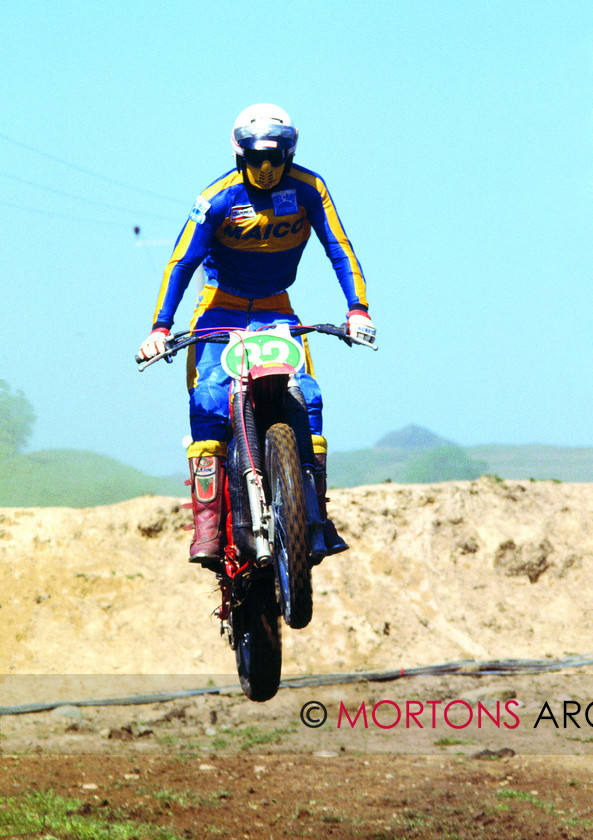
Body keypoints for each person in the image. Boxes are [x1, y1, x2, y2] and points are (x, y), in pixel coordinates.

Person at [138, 103, 376, 571]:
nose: (266, 169)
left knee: (308, 397)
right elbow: (181, 263)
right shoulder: (217, 199)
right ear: (238, 153)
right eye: (255, 159)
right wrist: (160, 328)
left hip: (275, 309)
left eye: (276, 158)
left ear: (290, 153)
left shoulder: (311, 190)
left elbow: (339, 249)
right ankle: (207, 526)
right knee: (207, 399)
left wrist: (357, 310)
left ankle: (315, 515)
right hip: (218, 310)